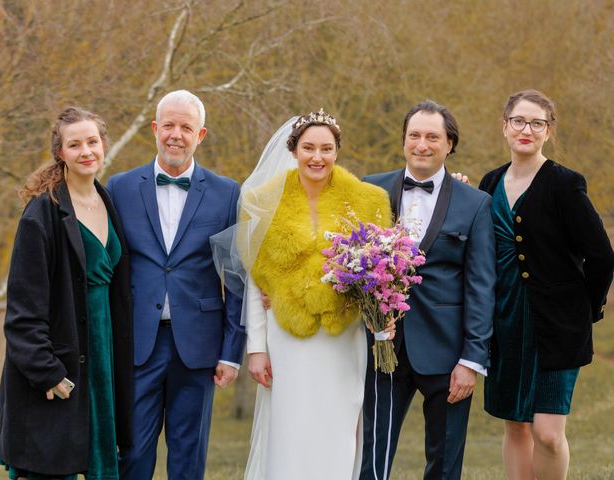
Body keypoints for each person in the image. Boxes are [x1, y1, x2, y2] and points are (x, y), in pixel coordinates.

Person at [235, 110, 392, 479]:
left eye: (326, 148)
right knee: (289, 428)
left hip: (344, 338)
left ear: (337, 151)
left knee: (339, 430)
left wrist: (382, 321)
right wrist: (257, 348)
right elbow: (256, 282)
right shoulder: (262, 200)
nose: (317, 157)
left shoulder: (368, 200)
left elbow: (383, 275)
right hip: (287, 338)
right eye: (308, 147)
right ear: (294, 150)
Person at [106, 89, 245, 480]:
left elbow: (234, 277)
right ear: (154, 129)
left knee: (188, 459)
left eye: (186, 127)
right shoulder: (120, 187)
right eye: (168, 125)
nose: (176, 135)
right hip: (136, 346)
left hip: (198, 348)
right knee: (131, 456)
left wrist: (232, 351)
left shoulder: (225, 192)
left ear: (201, 135)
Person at [0, 107, 133, 479]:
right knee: (50, 468)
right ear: (60, 153)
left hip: (102, 360)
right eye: (75, 144)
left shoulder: (108, 202)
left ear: (103, 145)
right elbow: (22, 311)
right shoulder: (41, 215)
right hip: (62, 362)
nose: (86, 151)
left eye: (92, 141)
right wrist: (47, 373)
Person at [479, 89, 614, 480]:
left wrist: (585, 309)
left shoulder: (565, 184)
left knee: (548, 433)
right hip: (504, 321)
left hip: (558, 326)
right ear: (504, 126)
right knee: (514, 424)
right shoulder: (489, 183)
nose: (527, 129)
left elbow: (603, 256)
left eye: (537, 123)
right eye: (519, 121)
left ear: (548, 132)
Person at [360, 100, 497, 480]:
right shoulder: (370, 189)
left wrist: (472, 360)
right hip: (382, 347)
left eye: (432, 136)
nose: (422, 144)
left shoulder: (476, 203)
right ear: (403, 141)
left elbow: (482, 286)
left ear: (449, 143)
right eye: (414, 135)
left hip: (448, 352)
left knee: (444, 461)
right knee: (372, 457)